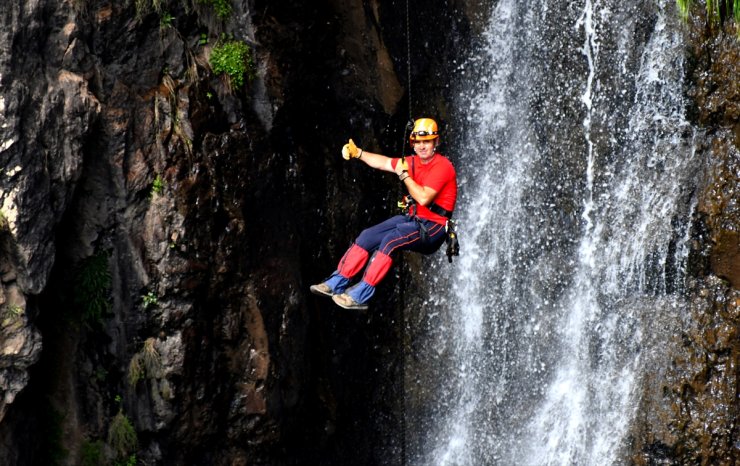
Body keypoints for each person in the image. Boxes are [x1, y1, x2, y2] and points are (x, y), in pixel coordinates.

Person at [310, 118, 458, 310]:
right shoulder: (411, 162)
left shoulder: (442, 166)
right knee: (368, 236)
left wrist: (404, 175)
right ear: (413, 143)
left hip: (433, 228)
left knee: (391, 239)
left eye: (427, 141)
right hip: (414, 220)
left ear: (436, 142)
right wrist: (359, 153)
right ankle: (336, 282)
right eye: (419, 142)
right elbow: (384, 162)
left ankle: (360, 296)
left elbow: (423, 198)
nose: (422, 146)